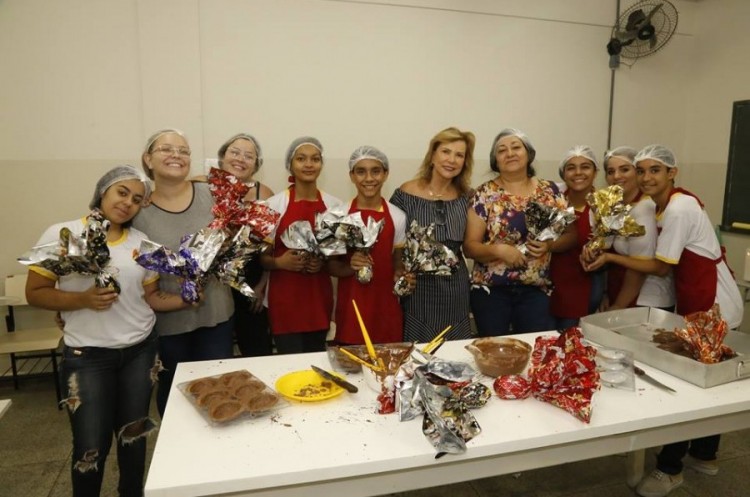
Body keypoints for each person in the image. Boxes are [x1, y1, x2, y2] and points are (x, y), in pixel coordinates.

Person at [582, 144, 743, 497]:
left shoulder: (680, 208)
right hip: (697, 299)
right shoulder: (663, 205)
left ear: (672, 173)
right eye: (641, 171)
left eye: (654, 170)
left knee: (692, 383)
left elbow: (658, 266)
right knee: (706, 380)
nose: (645, 177)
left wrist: (609, 255)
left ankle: (670, 468)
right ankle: (704, 453)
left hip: (714, 303)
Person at [25, 166, 188, 497]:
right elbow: (36, 292)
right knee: (90, 445)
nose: (128, 203)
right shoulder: (64, 234)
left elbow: (153, 298)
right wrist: (82, 299)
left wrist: (188, 298)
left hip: (141, 353)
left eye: (137, 199)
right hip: (88, 358)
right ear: (103, 192)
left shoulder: (142, 244)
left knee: (133, 438)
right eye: (122, 193)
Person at [133, 129, 235, 417]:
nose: (176, 155)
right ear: (148, 159)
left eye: (183, 151)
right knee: (174, 394)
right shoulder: (138, 208)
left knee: (220, 391)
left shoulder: (213, 195)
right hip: (167, 325)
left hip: (216, 315)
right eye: (166, 149)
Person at [464, 128, 576, 336]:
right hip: (491, 292)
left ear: (529, 154)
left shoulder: (550, 191)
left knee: (534, 353)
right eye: (502, 150)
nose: (510, 153)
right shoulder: (484, 194)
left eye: (516, 147)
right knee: (493, 353)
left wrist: (549, 246)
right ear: (495, 161)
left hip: (536, 292)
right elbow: (470, 247)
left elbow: (571, 235)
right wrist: (499, 251)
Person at [390, 127, 475, 343]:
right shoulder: (405, 193)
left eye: (459, 155)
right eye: (446, 152)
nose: (452, 160)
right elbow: (392, 241)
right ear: (433, 156)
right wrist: (398, 271)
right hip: (418, 288)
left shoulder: (468, 198)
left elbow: (473, 243)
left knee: (454, 352)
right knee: (418, 353)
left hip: (455, 289)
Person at [195, 133, 275, 357]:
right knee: (214, 351)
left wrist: (261, 287)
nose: (241, 159)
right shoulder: (200, 185)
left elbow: (271, 247)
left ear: (256, 165)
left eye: (249, 156)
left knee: (257, 348)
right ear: (222, 157)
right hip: (210, 281)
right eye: (235, 152)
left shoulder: (263, 193)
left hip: (249, 281)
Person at [262, 137, 343, 354]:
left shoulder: (334, 206)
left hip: (318, 300)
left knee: (317, 361)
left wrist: (322, 263)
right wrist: (280, 262)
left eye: (315, 159)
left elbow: (336, 258)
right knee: (289, 363)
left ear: (321, 165)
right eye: (301, 159)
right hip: (285, 301)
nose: (308, 164)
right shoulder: (274, 205)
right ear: (290, 164)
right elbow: (260, 258)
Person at [328, 146, 408, 344]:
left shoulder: (397, 216)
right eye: (361, 171)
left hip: (385, 308)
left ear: (385, 174)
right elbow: (330, 266)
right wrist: (350, 266)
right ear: (352, 176)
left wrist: (403, 278)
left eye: (376, 171)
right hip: (351, 308)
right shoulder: (337, 215)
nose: (369, 178)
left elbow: (398, 265)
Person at [598, 146, 674, 311]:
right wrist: (606, 293)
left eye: (624, 169)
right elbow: (606, 247)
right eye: (610, 172)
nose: (616, 176)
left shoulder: (644, 208)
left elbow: (639, 267)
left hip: (646, 301)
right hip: (622, 293)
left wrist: (618, 304)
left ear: (638, 173)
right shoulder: (617, 207)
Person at [549, 145, 604, 329]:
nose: (578, 173)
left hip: (583, 288)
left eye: (585, 167)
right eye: (571, 167)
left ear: (595, 172)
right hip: (549, 284)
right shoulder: (554, 199)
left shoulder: (604, 207)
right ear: (563, 174)